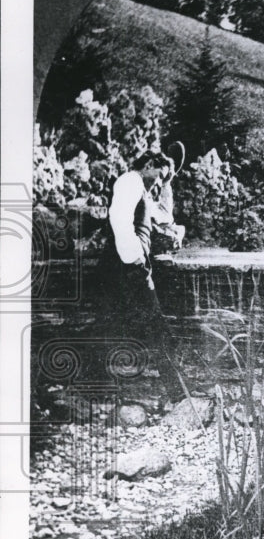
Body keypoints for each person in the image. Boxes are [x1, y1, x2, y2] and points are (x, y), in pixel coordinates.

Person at [103, 151, 180, 401]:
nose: (159, 182)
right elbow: (119, 219)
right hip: (127, 264)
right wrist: (134, 256)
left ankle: (173, 389)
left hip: (131, 264)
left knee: (118, 323)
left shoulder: (144, 190)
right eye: (159, 175)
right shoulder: (130, 181)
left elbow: (165, 217)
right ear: (148, 165)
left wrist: (167, 183)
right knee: (155, 325)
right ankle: (178, 390)